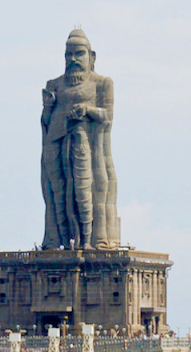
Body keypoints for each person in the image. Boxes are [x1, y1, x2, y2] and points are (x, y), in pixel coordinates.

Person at [40, 28, 120, 250]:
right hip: (56, 145)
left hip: (84, 146)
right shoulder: (54, 84)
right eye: (68, 55)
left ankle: (88, 240)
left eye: (79, 54)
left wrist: (86, 110)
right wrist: (47, 107)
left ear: (91, 56)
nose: (73, 59)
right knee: (57, 194)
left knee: (84, 192)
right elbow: (46, 122)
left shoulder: (102, 83)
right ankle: (60, 241)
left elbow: (108, 116)